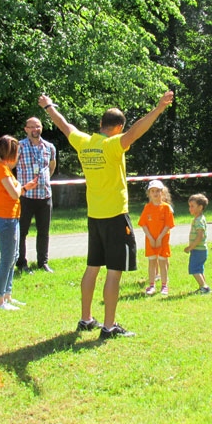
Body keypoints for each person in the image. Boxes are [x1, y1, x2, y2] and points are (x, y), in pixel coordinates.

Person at [39, 90, 175, 339]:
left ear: (101, 124)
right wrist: (158, 109)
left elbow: (64, 125)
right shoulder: (113, 145)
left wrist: (48, 106)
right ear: (118, 127)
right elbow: (136, 131)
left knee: (92, 267)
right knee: (114, 272)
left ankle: (86, 318)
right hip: (115, 216)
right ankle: (109, 327)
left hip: (95, 216)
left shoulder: (84, 141)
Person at [0, 135, 38, 311]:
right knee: (7, 259)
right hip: (4, 218)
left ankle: (7, 296)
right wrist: (20, 188)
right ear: (8, 152)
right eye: (16, 153)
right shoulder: (0, 167)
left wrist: (24, 187)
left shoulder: (3, 168)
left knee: (13, 257)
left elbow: (16, 190)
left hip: (11, 216)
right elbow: (13, 193)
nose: (18, 157)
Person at [16, 117, 57, 274]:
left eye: (38, 126)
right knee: (22, 231)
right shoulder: (19, 146)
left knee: (44, 231)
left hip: (44, 195)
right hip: (25, 196)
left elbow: (51, 167)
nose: (35, 130)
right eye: (31, 127)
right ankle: (21, 263)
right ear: (26, 129)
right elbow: (11, 166)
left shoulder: (49, 147)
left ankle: (43, 262)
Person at [139, 180, 175, 296]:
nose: (155, 194)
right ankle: (151, 285)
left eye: (158, 191)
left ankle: (164, 286)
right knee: (152, 262)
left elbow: (168, 225)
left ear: (162, 192)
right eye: (152, 191)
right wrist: (150, 237)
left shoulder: (166, 208)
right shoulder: (147, 208)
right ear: (149, 193)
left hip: (163, 240)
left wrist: (159, 238)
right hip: (150, 241)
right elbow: (143, 224)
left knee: (163, 262)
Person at [184, 193, 212, 294]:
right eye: (189, 206)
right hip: (200, 250)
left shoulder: (199, 220)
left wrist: (191, 247)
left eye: (192, 206)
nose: (190, 208)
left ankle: (204, 287)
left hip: (198, 250)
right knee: (199, 269)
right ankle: (203, 286)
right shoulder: (198, 219)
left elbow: (200, 236)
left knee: (194, 269)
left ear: (200, 207)